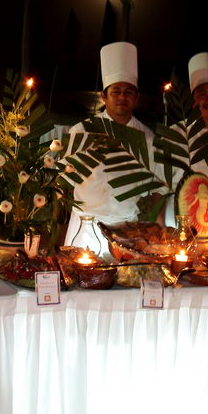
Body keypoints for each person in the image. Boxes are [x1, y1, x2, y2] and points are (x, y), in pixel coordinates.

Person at [65, 42, 154, 257]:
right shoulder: (82, 131)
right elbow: (66, 179)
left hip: (127, 230)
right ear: (104, 96)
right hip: (86, 227)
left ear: (136, 97)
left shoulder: (147, 137)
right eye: (116, 92)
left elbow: (153, 189)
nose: (122, 97)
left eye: (128, 92)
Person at [165, 52, 208, 235]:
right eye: (202, 94)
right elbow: (160, 190)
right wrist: (161, 229)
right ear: (191, 100)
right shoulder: (173, 134)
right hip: (178, 227)